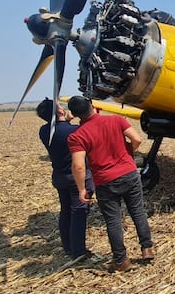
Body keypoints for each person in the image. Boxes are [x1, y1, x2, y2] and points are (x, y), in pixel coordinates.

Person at [67, 96, 154, 272]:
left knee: (113, 221)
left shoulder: (76, 136)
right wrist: (128, 153)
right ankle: (147, 248)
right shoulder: (116, 120)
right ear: (92, 106)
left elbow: (78, 165)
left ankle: (121, 260)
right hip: (129, 174)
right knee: (137, 211)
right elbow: (137, 139)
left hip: (106, 181)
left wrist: (82, 188)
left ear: (74, 115)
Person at [36, 99, 94, 260]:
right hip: (77, 178)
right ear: (60, 112)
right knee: (79, 212)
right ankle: (79, 251)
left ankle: (68, 246)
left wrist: (66, 119)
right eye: (60, 107)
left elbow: (61, 128)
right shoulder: (74, 131)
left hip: (59, 176)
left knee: (66, 211)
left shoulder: (44, 131)